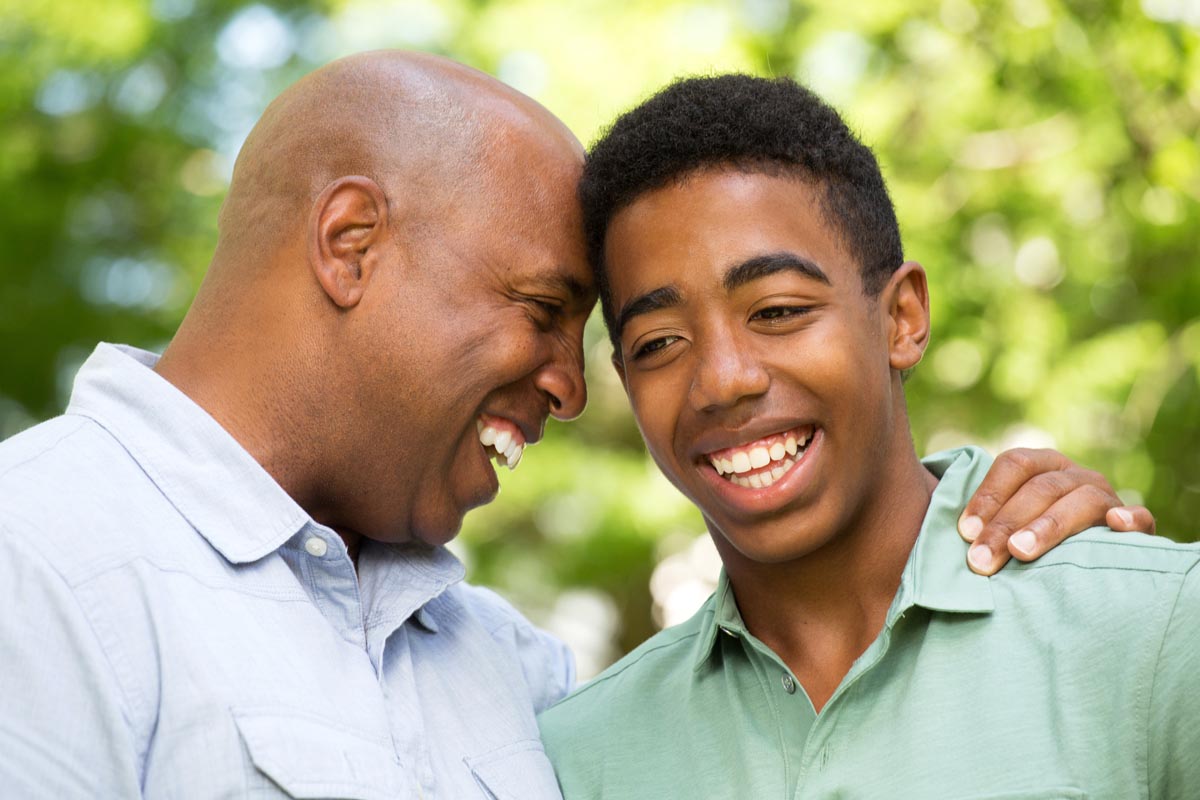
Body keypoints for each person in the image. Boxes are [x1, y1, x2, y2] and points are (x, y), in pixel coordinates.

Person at [0, 52, 1154, 798]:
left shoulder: (516, 672)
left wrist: (1050, 543)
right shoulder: (40, 553)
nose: (574, 385)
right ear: (350, 244)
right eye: (548, 311)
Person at [537, 74, 1199, 798]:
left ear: (902, 319)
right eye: (660, 342)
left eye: (779, 310)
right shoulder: (577, 759)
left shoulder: (1158, 632)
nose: (723, 380)